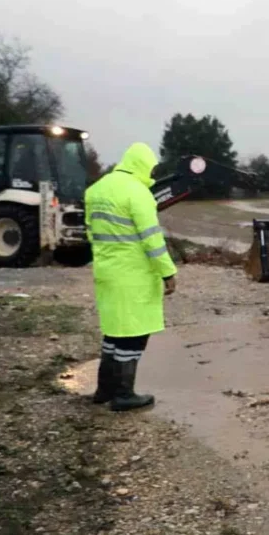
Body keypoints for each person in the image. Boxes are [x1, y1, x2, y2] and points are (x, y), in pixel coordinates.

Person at [84, 142, 177, 411]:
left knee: (114, 331)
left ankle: (104, 390)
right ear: (142, 164)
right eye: (151, 167)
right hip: (133, 274)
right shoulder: (138, 194)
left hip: (107, 271)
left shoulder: (96, 190)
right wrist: (167, 271)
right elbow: (152, 240)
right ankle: (124, 394)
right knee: (133, 335)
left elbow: (91, 233)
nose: (153, 172)